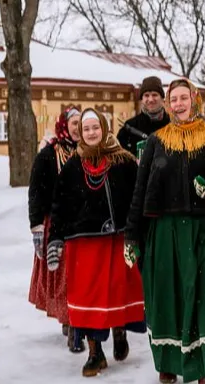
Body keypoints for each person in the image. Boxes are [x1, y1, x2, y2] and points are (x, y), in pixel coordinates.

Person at [124, 79, 205, 384]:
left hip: (204, 229)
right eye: (174, 99)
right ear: (169, 104)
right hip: (164, 231)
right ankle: (169, 363)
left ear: (194, 100)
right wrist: (132, 235)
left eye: (184, 98)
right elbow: (140, 190)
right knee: (168, 299)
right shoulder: (157, 142)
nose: (179, 104)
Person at [47, 108, 145, 377]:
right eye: (86, 129)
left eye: (95, 128)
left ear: (104, 128)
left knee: (117, 291)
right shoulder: (71, 167)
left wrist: (138, 232)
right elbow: (59, 204)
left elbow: (137, 200)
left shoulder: (123, 162)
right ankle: (95, 352)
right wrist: (55, 237)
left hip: (117, 240)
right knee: (88, 297)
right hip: (83, 243)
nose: (91, 133)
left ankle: (120, 331)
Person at [28, 107, 81, 348]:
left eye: (82, 122)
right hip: (55, 223)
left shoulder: (90, 152)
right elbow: (36, 192)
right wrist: (37, 227)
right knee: (63, 276)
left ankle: (77, 319)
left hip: (83, 223)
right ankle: (69, 321)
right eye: (74, 122)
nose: (78, 127)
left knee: (80, 275)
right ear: (64, 125)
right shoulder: (48, 154)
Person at [118, 76, 171, 156]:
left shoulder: (173, 125)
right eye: (146, 95)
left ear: (162, 98)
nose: (150, 99)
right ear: (142, 99)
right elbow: (120, 159)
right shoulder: (130, 127)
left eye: (154, 95)